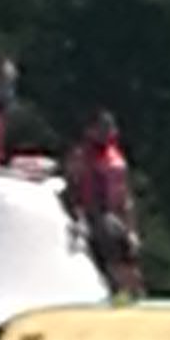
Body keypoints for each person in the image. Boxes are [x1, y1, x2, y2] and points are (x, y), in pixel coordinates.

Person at [65, 112, 145, 301]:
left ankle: (135, 293)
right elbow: (73, 187)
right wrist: (77, 215)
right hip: (94, 212)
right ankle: (118, 291)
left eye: (109, 128)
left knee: (127, 254)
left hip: (115, 212)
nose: (107, 132)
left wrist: (131, 227)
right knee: (111, 252)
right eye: (101, 128)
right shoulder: (82, 156)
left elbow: (125, 193)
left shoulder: (115, 157)